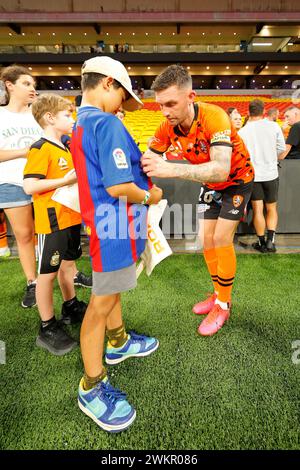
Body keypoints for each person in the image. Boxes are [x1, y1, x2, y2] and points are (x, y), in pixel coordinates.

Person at [71, 56, 162, 432]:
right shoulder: (104, 122)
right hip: (114, 227)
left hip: (111, 226)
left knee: (113, 291)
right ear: (108, 83)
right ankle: (91, 386)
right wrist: (151, 196)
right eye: (122, 96)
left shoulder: (84, 122)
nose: (123, 106)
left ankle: (119, 339)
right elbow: (118, 186)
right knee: (101, 302)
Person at [141, 64, 254, 337]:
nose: (165, 111)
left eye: (171, 103)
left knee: (220, 240)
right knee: (205, 240)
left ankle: (224, 304)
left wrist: (171, 169)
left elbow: (220, 168)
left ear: (190, 97)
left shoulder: (214, 117)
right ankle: (217, 294)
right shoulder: (166, 127)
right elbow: (147, 158)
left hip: (237, 181)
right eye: (160, 105)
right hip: (209, 184)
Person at [23, 94, 87, 355]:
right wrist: (65, 181)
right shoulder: (40, 147)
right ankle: (47, 326)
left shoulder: (64, 147)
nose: (71, 119)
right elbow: (30, 185)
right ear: (50, 118)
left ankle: (70, 306)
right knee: (46, 275)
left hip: (70, 217)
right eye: (67, 115)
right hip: (51, 222)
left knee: (68, 266)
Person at [0, 65, 43, 307]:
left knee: (56, 232)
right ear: (9, 85)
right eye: (26, 84)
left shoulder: (37, 114)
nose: (32, 89)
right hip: (10, 181)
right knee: (25, 235)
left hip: (42, 181)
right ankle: (32, 281)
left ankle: (70, 273)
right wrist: (24, 152)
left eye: (33, 84)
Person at [238, 99, 286, 253]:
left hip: (253, 175)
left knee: (258, 210)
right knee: (271, 208)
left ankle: (261, 242)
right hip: (271, 173)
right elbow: (281, 149)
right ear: (264, 112)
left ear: (248, 112)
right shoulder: (273, 126)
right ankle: (271, 242)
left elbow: (240, 155)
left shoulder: (242, 131)